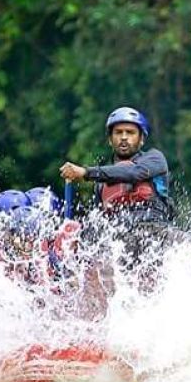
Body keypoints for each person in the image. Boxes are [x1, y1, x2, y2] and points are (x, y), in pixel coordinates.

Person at [58, 106, 174, 282]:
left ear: (141, 139)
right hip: (120, 243)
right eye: (118, 132)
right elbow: (97, 222)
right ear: (110, 140)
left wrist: (85, 172)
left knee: (185, 245)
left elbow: (134, 173)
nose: (124, 137)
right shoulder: (101, 185)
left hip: (156, 234)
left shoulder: (155, 159)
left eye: (130, 132)